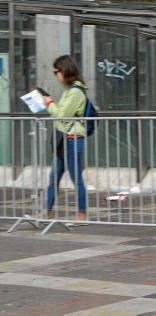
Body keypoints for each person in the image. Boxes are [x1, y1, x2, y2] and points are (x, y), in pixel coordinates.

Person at [42, 55, 89, 222]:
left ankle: (82, 214)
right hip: (64, 139)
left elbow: (62, 115)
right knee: (54, 177)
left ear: (65, 70)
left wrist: (49, 104)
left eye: (57, 71)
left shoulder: (76, 92)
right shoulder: (70, 91)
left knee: (76, 178)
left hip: (72, 139)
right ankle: (46, 210)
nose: (56, 75)